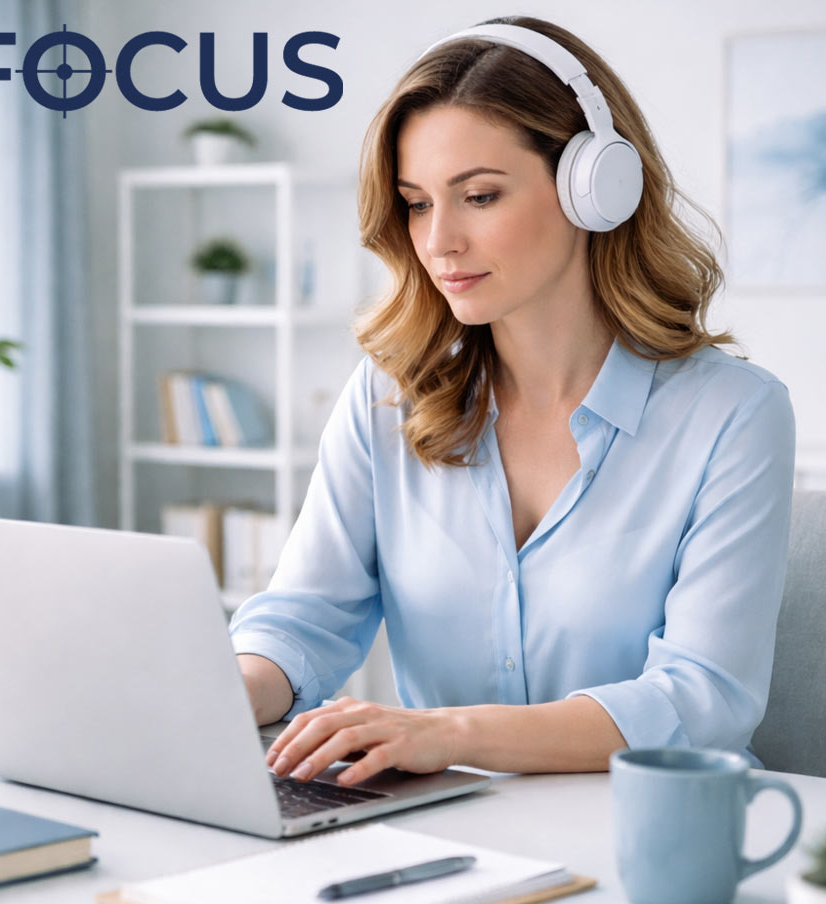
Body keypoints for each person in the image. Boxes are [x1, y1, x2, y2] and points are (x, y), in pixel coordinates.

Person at [229, 15, 795, 788]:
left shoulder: (733, 415)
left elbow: (702, 700)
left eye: (480, 196)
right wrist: (221, 693)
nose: (439, 242)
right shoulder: (387, 396)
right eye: (418, 203)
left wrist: (448, 732)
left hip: (649, 834)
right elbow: (305, 617)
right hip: (445, 834)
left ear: (595, 188)